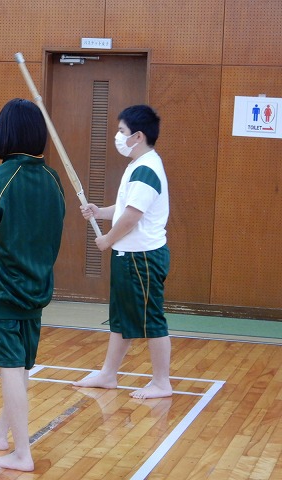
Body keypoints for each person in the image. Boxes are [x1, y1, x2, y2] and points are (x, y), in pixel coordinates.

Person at [0, 98, 66, 471]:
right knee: (19, 366)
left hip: (1, 292)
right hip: (37, 290)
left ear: (3, 135)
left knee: (10, 369)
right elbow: (54, 235)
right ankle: (0, 432)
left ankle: (22, 453)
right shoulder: (54, 180)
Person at [75, 104, 171, 400]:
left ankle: (161, 382)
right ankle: (108, 374)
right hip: (128, 256)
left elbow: (132, 217)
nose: (118, 136)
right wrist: (99, 211)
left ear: (138, 136)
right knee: (121, 318)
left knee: (151, 319)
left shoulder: (145, 169)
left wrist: (107, 240)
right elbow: (126, 207)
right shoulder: (138, 165)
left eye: (121, 131)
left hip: (141, 258)